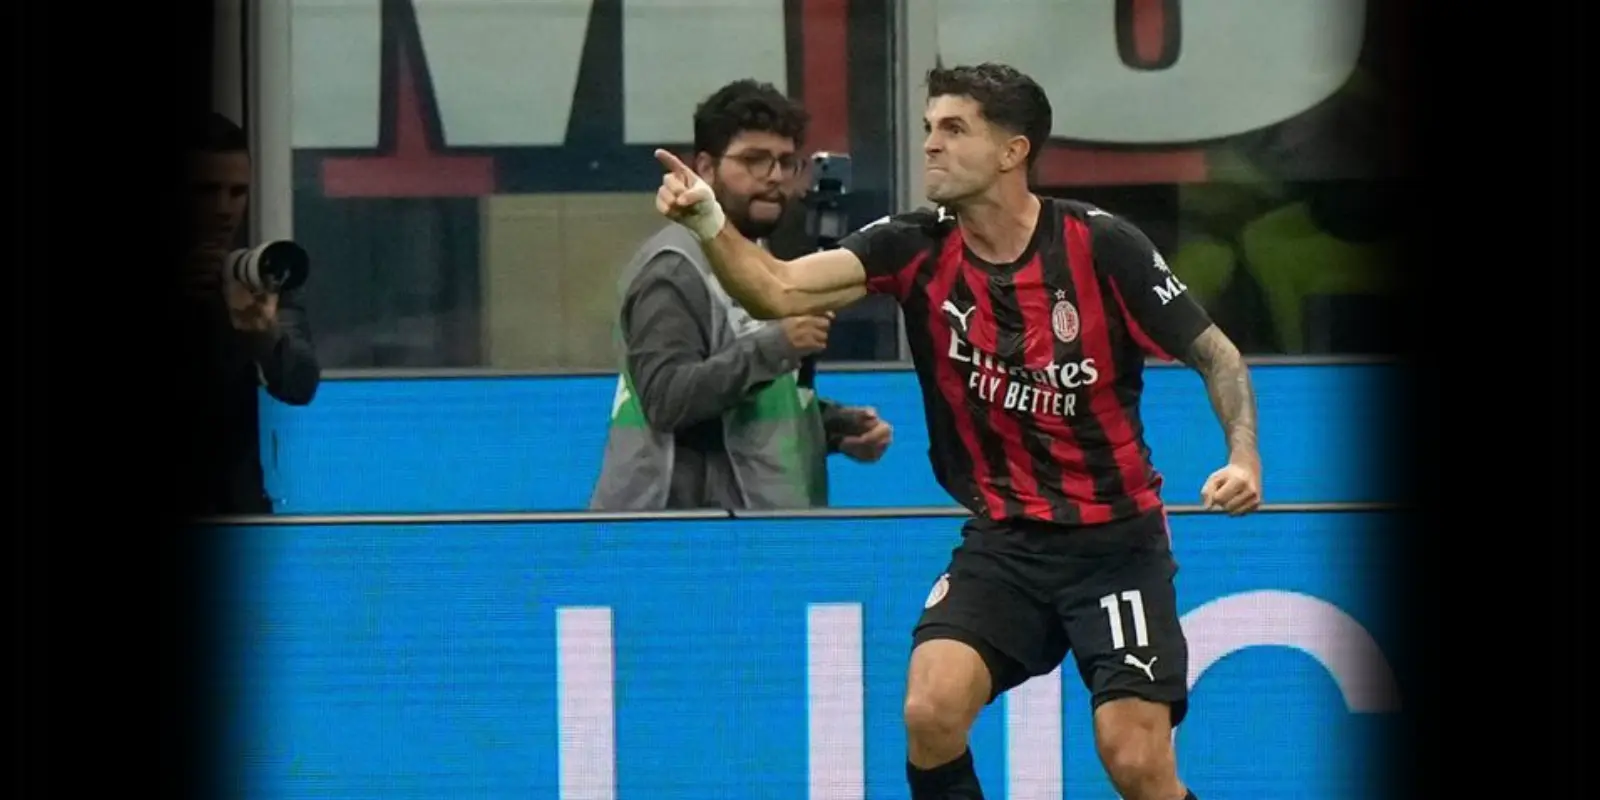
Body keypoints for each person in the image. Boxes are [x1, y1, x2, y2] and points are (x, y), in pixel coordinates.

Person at [651, 64, 1262, 799]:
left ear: (1012, 151)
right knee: (930, 710)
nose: (931, 145)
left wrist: (1243, 457)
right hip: (1005, 541)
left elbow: (1216, 354)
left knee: (1134, 762)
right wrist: (708, 221)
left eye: (953, 128)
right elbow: (774, 287)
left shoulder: (1101, 245)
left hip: (1115, 545)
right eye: (928, 127)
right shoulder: (912, 244)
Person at [590, 79, 892, 511]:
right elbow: (666, 400)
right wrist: (778, 346)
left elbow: (749, 400)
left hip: (752, 526)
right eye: (754, 160)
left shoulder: (758, 258)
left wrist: (831, 427)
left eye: (785, 162)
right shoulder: (674, 269)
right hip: (679, 532)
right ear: (706, 168)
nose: (774, 177)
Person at [181, 112, 320, 515]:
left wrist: (264, 336)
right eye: (206, 191)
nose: (225, 208)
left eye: (238, 192)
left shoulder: (258, 273)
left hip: (234, 511)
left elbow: (301, 385)